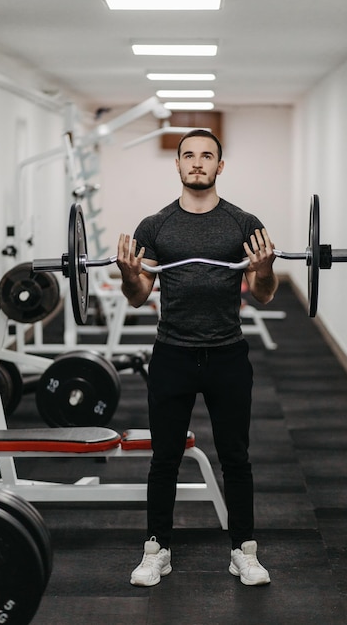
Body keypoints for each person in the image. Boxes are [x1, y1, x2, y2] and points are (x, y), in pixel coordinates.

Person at [116, 129, 278, 588]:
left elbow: (264, 296)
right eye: (189, 155)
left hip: (228, 353)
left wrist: (262, 271)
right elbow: (137, 296)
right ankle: (156, 549)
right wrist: (130, 274)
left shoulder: (244, 224)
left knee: (236, 457)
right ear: (179, 165)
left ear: (220, 166)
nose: (198, 163)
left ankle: (244, 550)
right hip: (172, 354)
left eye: (208, 156)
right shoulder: (155, 226)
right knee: (164, 457)